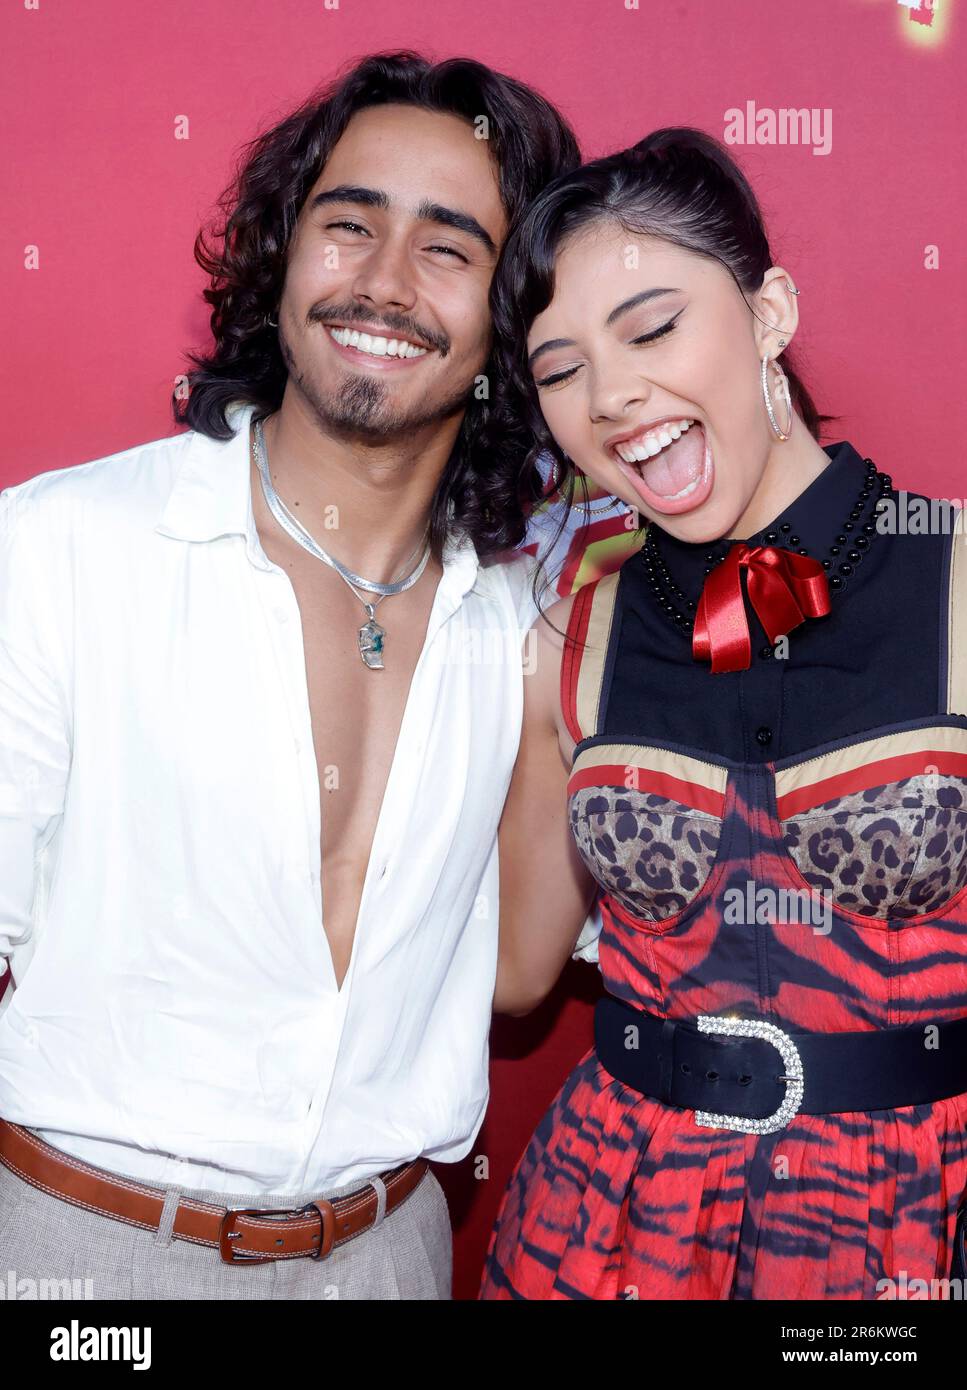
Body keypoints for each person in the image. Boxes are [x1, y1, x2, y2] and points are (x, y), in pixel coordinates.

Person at [0, 51, 581, 1300]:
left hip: (384, 1258)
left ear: (514, 315)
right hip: (83, 1260)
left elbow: (520, 974)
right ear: (282, 258)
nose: (380, 281)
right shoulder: (61, 548)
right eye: (348, 223)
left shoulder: (523, 622)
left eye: (447, 247)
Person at [480, 128, 967, 1300]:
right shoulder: (570, 632)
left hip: (902, 1238)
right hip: (610, 1227)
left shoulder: (952, 575)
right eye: (558, 369)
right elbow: (511, 975)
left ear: (769, 314)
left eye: (651, 328)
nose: (612, 397)